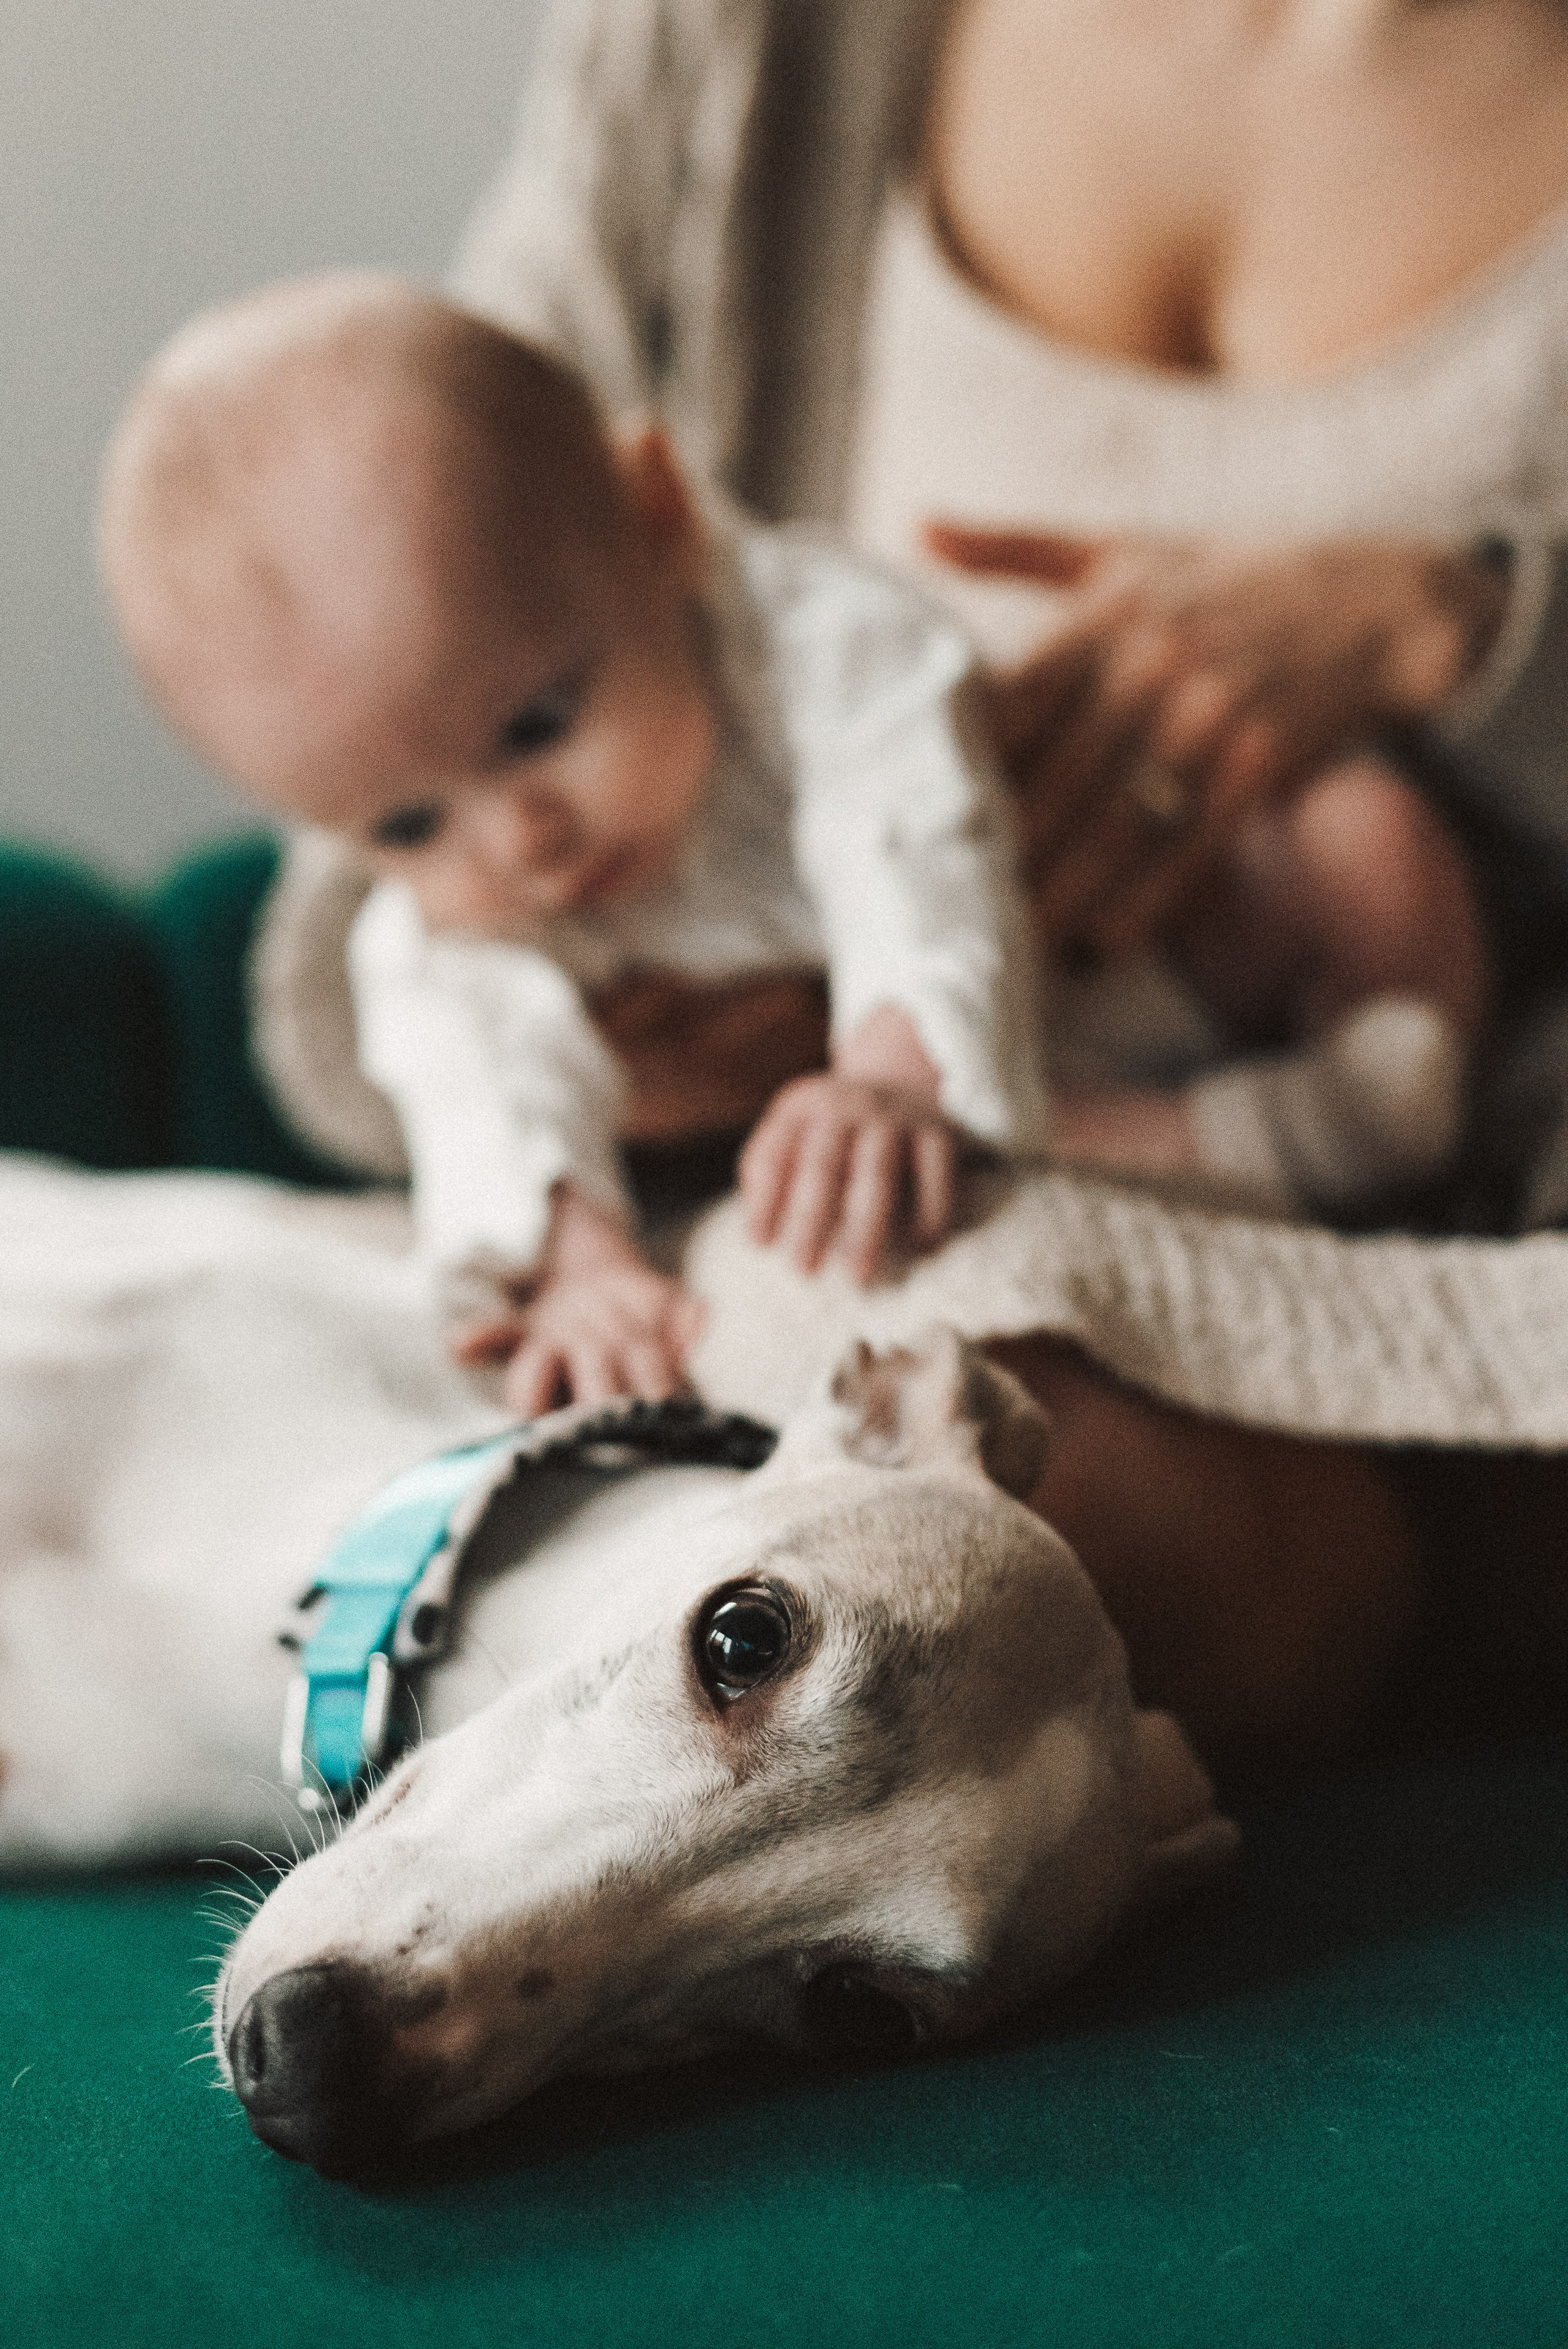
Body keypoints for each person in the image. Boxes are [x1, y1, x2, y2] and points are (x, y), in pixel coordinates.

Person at [430, 0, 1568, 1220]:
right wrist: (605, 1043)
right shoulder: (732, 35)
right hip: (824, 1196)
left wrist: (1474, 623)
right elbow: (376, 683)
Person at [99, 276, 1049, 1409]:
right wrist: (580, 1263)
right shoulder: (456, 916)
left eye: (535, 726)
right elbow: (483, 1072)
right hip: (1036, 1111)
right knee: (428, 976)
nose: (519, 842)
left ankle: (1292, 1123)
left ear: (662, 523)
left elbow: (904, 838)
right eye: (407, 824)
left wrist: (894, 1068)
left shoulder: (822, 652)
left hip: (1130, 964)